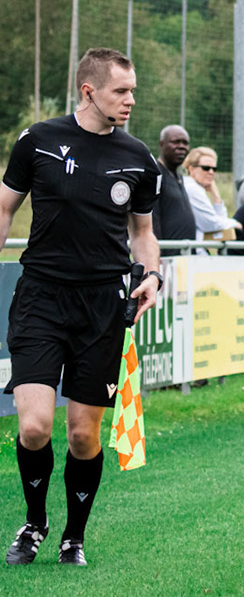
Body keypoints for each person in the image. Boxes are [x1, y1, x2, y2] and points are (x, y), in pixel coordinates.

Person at [1, 48, 164, 568]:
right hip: (41, 297)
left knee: (82, 433)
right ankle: (35, 523)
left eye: (133, 90)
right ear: (89, 91)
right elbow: (4, 207)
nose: (131, 100)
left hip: (102, 305)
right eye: (121, 91)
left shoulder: (138, 157)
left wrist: (152, 275)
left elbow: (143, 233)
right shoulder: (38, 140)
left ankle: (74, 535)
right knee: (33, 426)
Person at [181, 146, 240, 242]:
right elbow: (210, 224)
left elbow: (218, 223)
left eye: (214, 169)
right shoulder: (192, 188)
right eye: (206, 168)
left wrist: (215, 195)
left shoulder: (193, 187)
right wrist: (235, 223)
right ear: (191, 169)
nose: (211, 172)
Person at [150, 124, 197, 244]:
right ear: (162, 144)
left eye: (185, 143)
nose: (181, 147)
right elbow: (151, 220)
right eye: (176, 142)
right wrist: (157, 250)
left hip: (186, 251)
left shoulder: (179, 177)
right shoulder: (155, 174)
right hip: (166, 251)